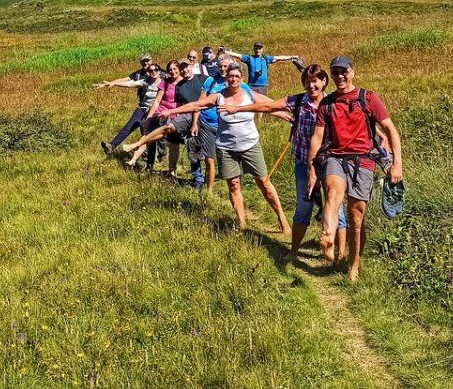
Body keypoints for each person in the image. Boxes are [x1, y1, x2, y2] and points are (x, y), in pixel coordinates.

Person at [230, 64, 347, 264]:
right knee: (303, 207)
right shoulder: (299, 101)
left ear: (324, 81)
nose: (312, 85)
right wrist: (240, 108)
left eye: (316, 81)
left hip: (330, 164)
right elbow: (268, 106)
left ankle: (341, 257)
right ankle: (293, 252)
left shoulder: (332, 102)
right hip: (303, 163)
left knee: (336, 208)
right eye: (308, 81)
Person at [307, 56, 405, 283]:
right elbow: (317, 138)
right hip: (335, 158)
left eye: (344, 71)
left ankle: (354, 264)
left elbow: (391, 129)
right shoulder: (327, 103)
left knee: (356, 216)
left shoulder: (368, 98)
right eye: (335, 72)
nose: (340, 76)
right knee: (333, 192)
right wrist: (312, 169)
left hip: (363, 161)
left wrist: (396, 163)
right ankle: (329, 235)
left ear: (352, 72)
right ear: (330, 75)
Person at [171, 56, 290, 233]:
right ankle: (242, 225)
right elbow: (196, 105)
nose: (233, 79)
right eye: (230, 76)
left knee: (263, 182)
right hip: (226, 148)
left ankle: (282, 220)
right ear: (226, 78)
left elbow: (268, 106)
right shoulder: (219, 96)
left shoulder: (248, 93)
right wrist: (172, 111)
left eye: (236, 76)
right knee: (234, 184)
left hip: (250, 145)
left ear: (242, 78)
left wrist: (289, 116)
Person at [95, 54, 162, 158]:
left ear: (159, 70)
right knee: (129, 126)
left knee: (148, 135)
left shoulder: (164, 81)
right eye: (151, 70)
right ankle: (111, 146)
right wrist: (113, 83)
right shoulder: (144, 80)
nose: (153, 72)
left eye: (156, 70)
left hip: (154, 111)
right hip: (142, 108)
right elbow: (129, 83)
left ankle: (151, 160)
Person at [126, 59, 184, 172]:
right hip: (160, 114)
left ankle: (172, 170)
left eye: (175, 69)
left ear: (179, 69)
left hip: (175, 116)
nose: (172, 72)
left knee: (173, 145)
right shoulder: (165, 82)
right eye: (170, 70)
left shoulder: (184, 83)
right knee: (148, 136)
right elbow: (157, 101)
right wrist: (149, 117)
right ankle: (133, 160)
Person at [226, 42, 302, 93]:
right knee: (251, 103)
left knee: (262, 104)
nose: (257, 50)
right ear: (254, 49)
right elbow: (237, 55)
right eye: (256, 48)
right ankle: (252, 117)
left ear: (262, 49)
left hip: (263, 85)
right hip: (251, 85)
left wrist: (291, 57)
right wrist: (225, 52)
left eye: (259, 48)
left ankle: (259, 118)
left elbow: (279, 58)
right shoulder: (249, 58)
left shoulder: (266, 58)